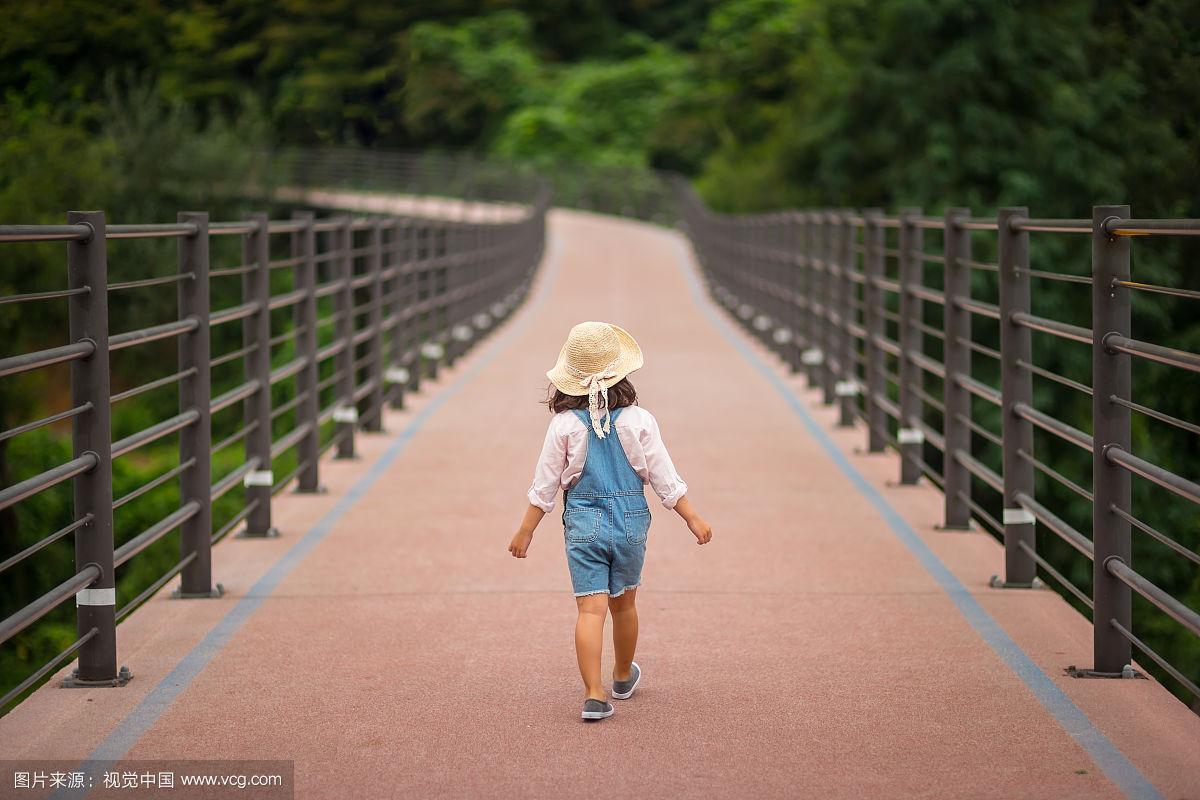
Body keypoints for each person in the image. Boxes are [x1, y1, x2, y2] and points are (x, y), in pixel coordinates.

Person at [508, 321, 713, 721]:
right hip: (631, 522)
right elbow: (663, 476)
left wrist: (525, 531)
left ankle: (594, 694)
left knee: (590, 611)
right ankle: (621, 675)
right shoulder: (640, 420)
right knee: (625, 605)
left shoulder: (564, 425)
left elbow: (545, 485)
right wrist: (692, 517)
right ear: (622, 374)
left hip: (584, 524)